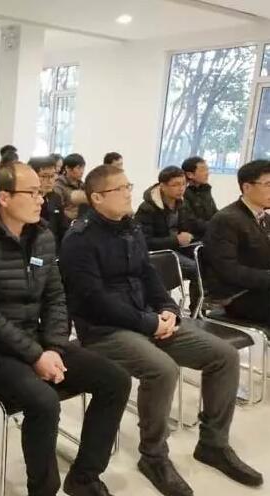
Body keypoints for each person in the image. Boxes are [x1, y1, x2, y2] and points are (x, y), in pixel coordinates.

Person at [60, 165, 263, 496]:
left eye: (128, 186)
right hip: (104, 330)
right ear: (97, 198)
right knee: (162, 370)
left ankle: (213, 444)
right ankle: (154, 456)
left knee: (224, 356)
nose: (128, 193)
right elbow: (94, 300)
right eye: (119, 189)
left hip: (148, 318)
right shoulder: (79, 240)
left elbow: (148, 275)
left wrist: (168, 309)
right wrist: (149, 322)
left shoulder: (130, 227)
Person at [0, 163, 130, 496]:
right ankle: (43, 489)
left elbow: (56, 298)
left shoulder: (42, 237)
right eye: (32, 192)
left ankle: (84, 477)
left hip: (37, 341)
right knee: (44, 402)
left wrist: (53, 347)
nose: (41, 199)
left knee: (115, 381)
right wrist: (36, 355)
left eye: (41, 192)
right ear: (4, 197)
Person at [204, 160, 270, 324]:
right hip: (237, 295)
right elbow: (228, 270)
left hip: (260, 289)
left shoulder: (264, 218)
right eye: (268, 184)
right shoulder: (227, 220)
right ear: (246, 187)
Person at [134, 166, 200, 280]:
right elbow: (144, 242)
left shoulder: (182, 204)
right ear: (163, 186)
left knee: (208, 259)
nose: (181, 188)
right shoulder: (147, 208)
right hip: (158, 254)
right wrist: (176, 240)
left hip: (177, 248)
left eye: (184, 184)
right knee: (195, 268)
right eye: (175, 185)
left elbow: (190, 226)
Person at [29, 155, 71, 248]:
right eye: (44, 176)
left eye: (52, 176)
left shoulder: (55, 198)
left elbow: (63, 228)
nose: (50, 181)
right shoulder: (26, 198)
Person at [182, 156, 217, 235]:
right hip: (194, 236)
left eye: (207, 169)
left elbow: (214, 213)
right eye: (202, 170)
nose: (207, 173)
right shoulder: (183, 193)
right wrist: (216, 226)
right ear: (190, 174)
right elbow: (191, 223)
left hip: (210, 232)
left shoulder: (205, 190)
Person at [54, 153, 87, 221]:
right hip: (65, 221)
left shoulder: (82, 185)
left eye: (83, 168)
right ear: (67, 168)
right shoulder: (58, 185)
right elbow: (57, 208)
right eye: (78, 168)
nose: (82, 171)